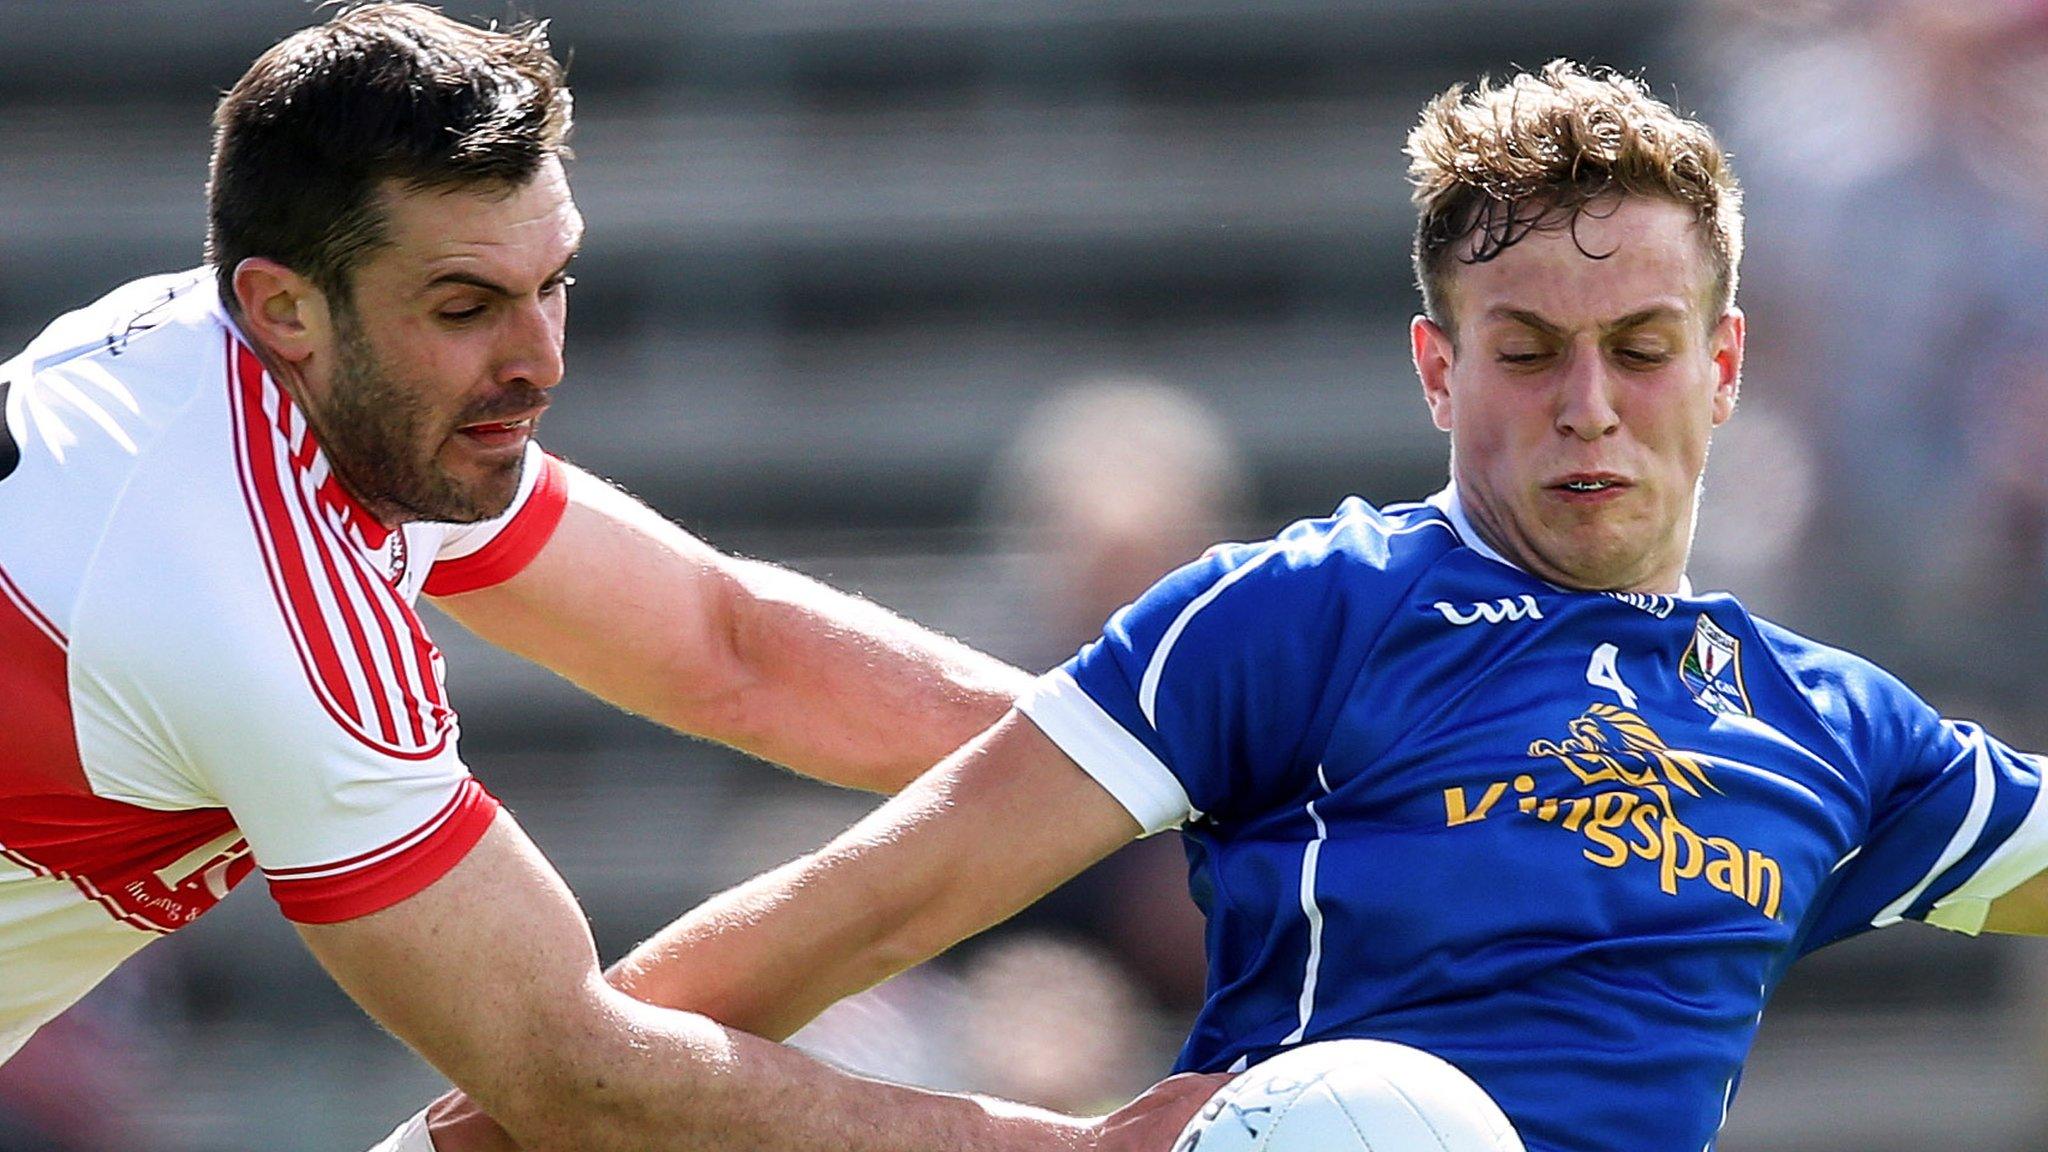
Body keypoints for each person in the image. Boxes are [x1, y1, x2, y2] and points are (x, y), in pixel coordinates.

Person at [418, 60, 2048, 1152]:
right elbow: (862, 910)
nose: (1585, 406)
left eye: (1636, 346)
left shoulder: (1837, 732)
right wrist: (481, 1125)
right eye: (1524, 348)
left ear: (1723, 367)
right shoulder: (1302, 614)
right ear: (1434, 369)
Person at [0, 5, 1218, 1151]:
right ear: (286, 307)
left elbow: (727, 642)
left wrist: (1184, 772)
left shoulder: (251, 370)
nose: (537, 362)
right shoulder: (247, 594)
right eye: (468, 305)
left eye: (554, 285)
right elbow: (569, 1073)